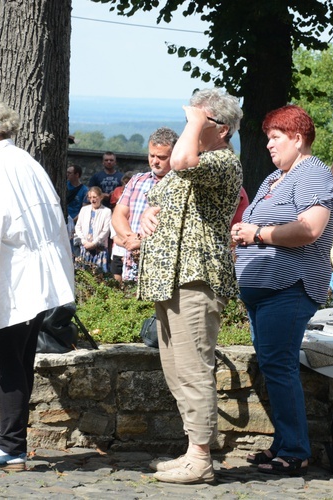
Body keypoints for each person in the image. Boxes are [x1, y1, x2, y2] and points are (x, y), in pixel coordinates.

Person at [138, 89, 243, 484]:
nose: (190, 129)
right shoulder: (196, 163)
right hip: (169, 279)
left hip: (196, 277)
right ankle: (192, 449)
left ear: (223, 130)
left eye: (199, 124)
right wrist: (149, 214)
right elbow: (160, 193)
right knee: (175, 368)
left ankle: (200, 458)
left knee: (194, 367)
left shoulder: (221, 162)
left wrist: (197, 118)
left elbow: (180, 161)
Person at [0, 98, 74, 471]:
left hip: (12, 279)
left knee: (4, 358)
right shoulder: (25, 162)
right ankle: (4, 434)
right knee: (19, 356)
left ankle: (11, 444)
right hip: (37, 278)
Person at [231, 104, 333, 477]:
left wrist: (256, 233)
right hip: (264, 291)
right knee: (273, 366)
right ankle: (282, 443)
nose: (269, 146)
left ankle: (294, 451)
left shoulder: (311, 173)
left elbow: (310, 229)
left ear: (297, 137)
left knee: (280, 366)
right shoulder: (275, 177)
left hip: (289, 288)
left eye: (276, 138)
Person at [112, 127, 179, 282]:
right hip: (131, 265)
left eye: (161, 157)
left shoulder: (182, 184)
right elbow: (118, 215)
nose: (154, 161)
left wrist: (143, 244)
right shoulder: (137, 180)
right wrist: (132, 240)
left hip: (163, 269)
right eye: (151, 155)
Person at [75, 186, 112, 272]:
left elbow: (106, 230)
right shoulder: (84, 209)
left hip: (99, 249)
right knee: (83, 274)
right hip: (85, 246)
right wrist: (84, 241)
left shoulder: (106, 211)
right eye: (90, 197)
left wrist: (94, 243)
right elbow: (78, 226)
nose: (92, 200)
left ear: (101, 197)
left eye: (95, 197)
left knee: (99, 275)